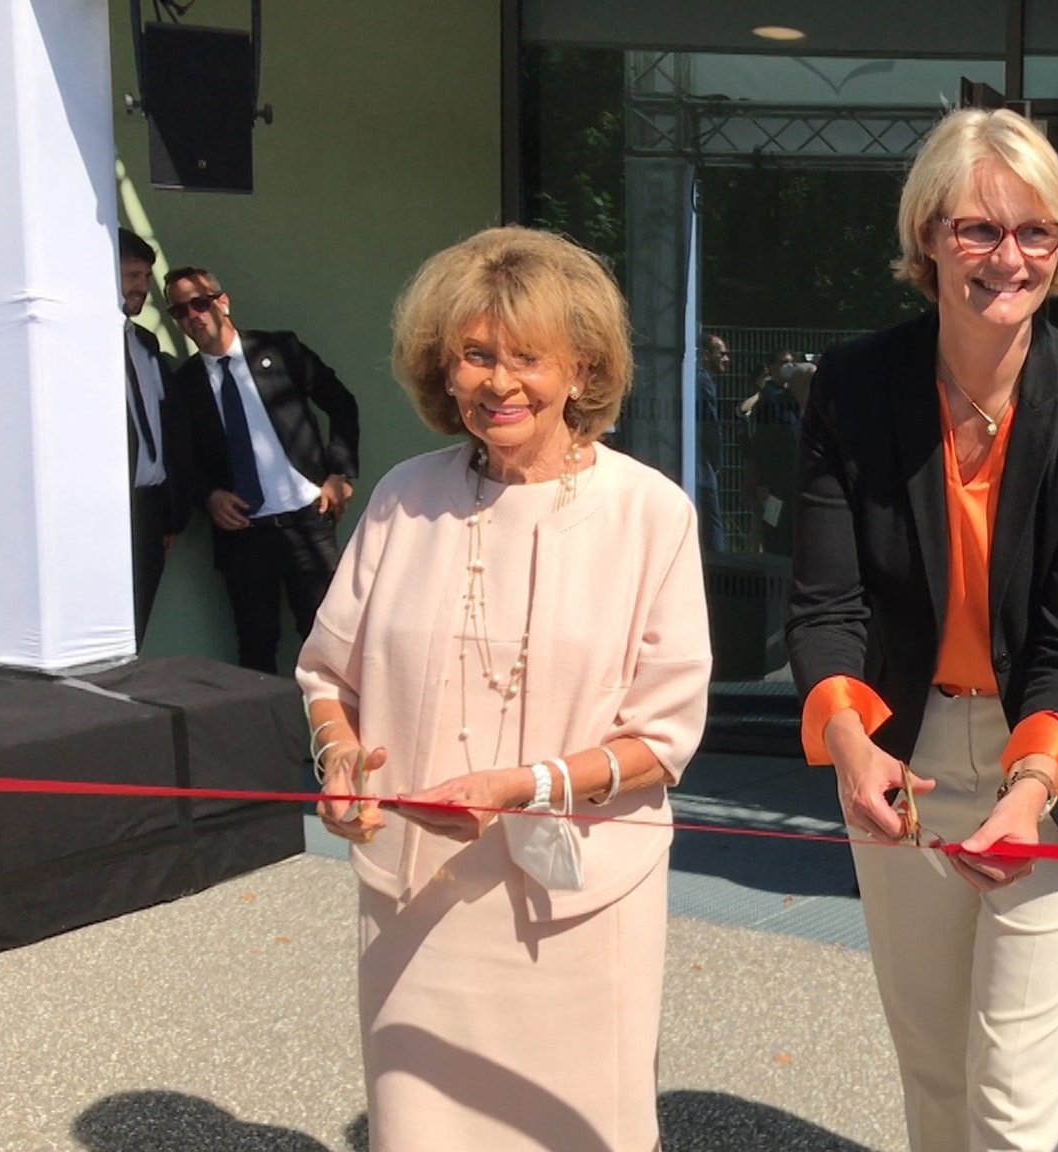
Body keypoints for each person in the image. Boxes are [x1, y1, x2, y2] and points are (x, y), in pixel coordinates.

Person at [786, 107, 1058, 1151]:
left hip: (1055, 757)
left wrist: (1030, 789)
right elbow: (825, 602)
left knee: (1012, 1098)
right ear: (926, 243)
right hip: (897, 749)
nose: (1008, 256)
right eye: (976, 230)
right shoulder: (855, 388)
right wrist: (849, 745)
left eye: (1034, 231)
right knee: (936, 1077)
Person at [294, 226, 711, 1150]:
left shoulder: (649, 514)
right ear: (443, 371)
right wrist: (337, 759)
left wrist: (524, 789)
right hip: (417, 901)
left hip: (580, 907)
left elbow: (666, 739)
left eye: (527, 356)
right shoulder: (404, 497)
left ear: (583, 368)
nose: (499, 381)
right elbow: (328, 673)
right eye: (476, 356)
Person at [165, 266, 362, 673]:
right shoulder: (184, 385)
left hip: (309, 521)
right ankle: (266, 738)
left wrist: (339, 474)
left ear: (223, 302)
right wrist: (209, 497)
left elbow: (341, 402)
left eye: (200, 303)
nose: (193, 316)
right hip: (245, 537)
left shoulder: (280, 350)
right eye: (180, 311)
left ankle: (341, 732)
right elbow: (180, 460)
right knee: (256, 651)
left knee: (330, 639)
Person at [120, 228, 188, 647]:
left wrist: (170, 515)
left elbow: (169, 432)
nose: (142, 288)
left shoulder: (145, 343)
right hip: (103, 511)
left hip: (149, 514)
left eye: (145, 278)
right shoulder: (75, 345)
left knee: (134, 633)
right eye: (131, 276)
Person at [742, 348, 802, 553]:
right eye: (784, 362)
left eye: (792, 362)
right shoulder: (768, 398)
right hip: (775, 482)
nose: (789, 367)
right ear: (772, 367)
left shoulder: (795, 396)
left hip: (794, 478)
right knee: (774, 530)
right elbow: (763, 444)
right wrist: (763, 482)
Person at [695, 332, 730, 552]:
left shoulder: (694, 379)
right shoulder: (703, 381)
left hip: (697, 463)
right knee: (711, 522)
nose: (726, 359)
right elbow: (710, 426)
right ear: (707, 355)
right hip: (703, 466)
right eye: (722, 354)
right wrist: (717, 461)